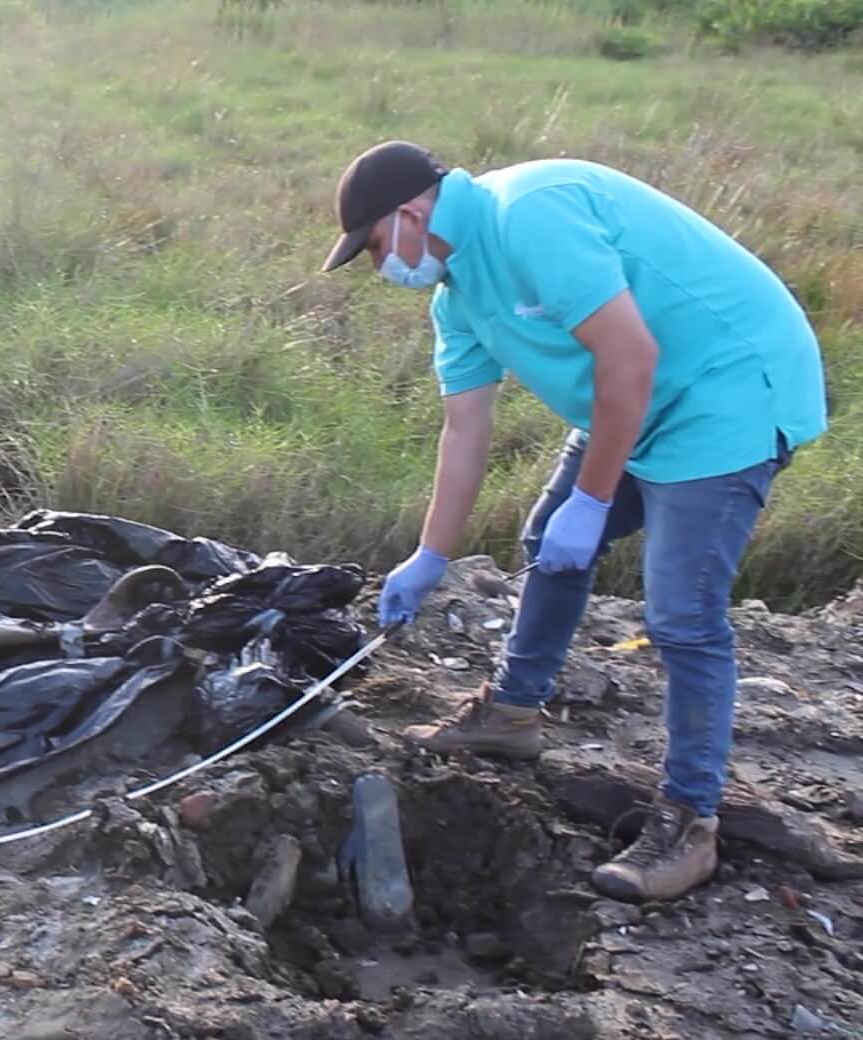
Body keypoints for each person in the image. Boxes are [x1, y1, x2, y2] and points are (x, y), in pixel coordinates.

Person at [320, 140, 826, 903]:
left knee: (682, 616)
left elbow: (630, 354)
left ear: (411, 213)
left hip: (724, 387)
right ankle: (514, 712)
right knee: (547, 543)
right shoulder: (456, 297)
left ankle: (690, 823)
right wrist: (429, 555)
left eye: (375, 247)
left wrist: (592, 503)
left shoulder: (529, 214)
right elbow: (465, 431)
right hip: (632, 400)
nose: (377, 265)